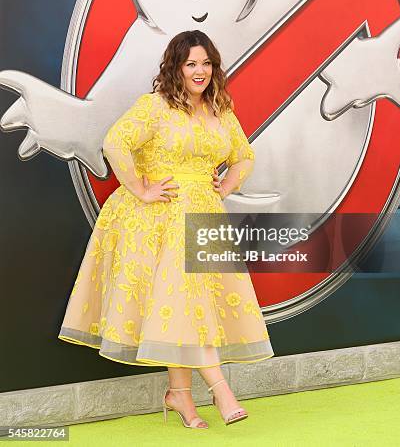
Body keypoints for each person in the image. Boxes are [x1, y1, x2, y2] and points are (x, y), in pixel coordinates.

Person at [58, 29, 274, 428]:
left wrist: (225, 185)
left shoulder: (220, 109)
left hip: (204, 216)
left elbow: (243, 156)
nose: (200, 71)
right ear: (175, 66)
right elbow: (115, 143)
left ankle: (180, 395)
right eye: (192, 63)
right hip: (161, 219)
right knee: (184, 302)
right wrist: (141, 188)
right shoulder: (154, 107)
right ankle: (221, 390)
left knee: (183, 310)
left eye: (207, 63)